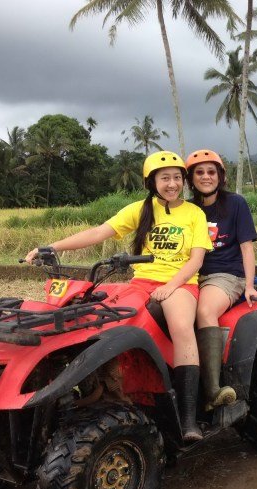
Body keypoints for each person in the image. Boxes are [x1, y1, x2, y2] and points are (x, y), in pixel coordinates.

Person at [24, 151, 212, 443]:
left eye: (177, 178)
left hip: (182, 282)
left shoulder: (194, 214)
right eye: (165, 178)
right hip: (141, 281)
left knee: (181, 327)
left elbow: (196, 261)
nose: (172, 184)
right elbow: (99, 232)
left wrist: (173, 285)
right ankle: (116, 391)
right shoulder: (139, 209)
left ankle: (188, 419)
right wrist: (52, 246)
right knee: (111, 322)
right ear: (152, 182)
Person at [185, 149, 257, 411]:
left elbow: (247, 247)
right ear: (191, 179)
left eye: (211, 172)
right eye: (199, 172)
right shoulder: (187, 209)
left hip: (227, 273)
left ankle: (211, 390)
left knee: (204, 311)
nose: (206, 177)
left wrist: (249, 285)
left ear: (220, 176)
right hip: (191, 274)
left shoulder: (235, 203)